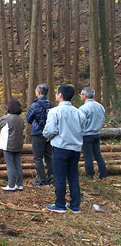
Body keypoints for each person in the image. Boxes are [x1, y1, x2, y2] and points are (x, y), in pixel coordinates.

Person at [43, 84, 86, 213]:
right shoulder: (79, 112)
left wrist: (46, 135)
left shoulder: (54, 111)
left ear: (60, 95)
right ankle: (74, 205)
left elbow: (50, 130)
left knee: (60, 177)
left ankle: (60, 204)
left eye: (57, 93)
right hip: (75, 148)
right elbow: (83, 129)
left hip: (61, 147)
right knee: (73, 177)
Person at [26, 83, 54, 186]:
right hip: (49, 134)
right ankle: (51, 177)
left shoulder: (35, 105)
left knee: (38, 158)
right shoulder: (50, 104)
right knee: (49, 156)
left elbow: (28, 119)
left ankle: (42, 179)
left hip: (38, 133)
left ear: (38, 92)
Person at [0, 99, 25, 191]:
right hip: (18, 144)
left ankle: (11, 185)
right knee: (18, 165)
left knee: (10, 166)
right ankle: (19, 184)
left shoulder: (8, 118)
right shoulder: (21, 119)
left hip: (8, 144)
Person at [79, 87, 107, 179]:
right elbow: (103, 119)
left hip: (87, 134)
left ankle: (90, 176)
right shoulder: (100, 106)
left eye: (81, 94)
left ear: (85, 96)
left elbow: (81, 122)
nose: (80, 96)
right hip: (97, 133)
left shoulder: (83, 108)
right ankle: (103, 174)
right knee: (98, 155)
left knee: (88, 157)